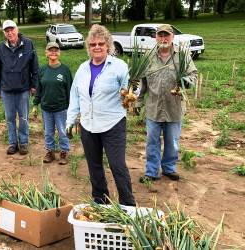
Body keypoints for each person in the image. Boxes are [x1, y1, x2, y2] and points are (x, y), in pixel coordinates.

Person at [66, 25, 136, 206]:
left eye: (101, 44)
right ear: (88, 47)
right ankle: (100, 202)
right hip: (88, 125)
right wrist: (70, 120)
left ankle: (128, 204)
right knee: (94, 167)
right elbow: (75, 95)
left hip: (113, 123)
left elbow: (133, 89)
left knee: (117, 166)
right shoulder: (82, 69)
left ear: (108, 45)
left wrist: (131, 93)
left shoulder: (119, 67)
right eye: (92, 44)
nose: (96, 47)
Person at [136, 24, 197, 182]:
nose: (163, 39)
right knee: (152, 141)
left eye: (166, 35)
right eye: (160, 35)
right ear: (156, 37)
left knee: (172, 141)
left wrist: (185, 81)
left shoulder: (182, 55)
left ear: (172, 37)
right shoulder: (148, 56)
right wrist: (138, 102)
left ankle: (169, 168)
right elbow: (142, 82)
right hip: (153, 107)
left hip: (174, 107)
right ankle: (151, 172)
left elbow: (193, 75)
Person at [0, 20, 39, 155]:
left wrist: (34, 85)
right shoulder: (0, 47)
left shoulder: (28, 44)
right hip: (6, 89)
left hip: (23, 88)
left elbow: (35, 67)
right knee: (9, 118)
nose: (10, 33)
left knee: (24, 117)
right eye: (7, 31)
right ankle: (12, 143)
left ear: (17, 29)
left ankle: (24, 143)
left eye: (12, 29)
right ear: (4, 33)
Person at [33, 42, 72, 165]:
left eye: (56, 50)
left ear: (59, 53)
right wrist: (35, 104)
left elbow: (70, 90)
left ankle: (64, 152)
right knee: (48, 132)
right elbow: (39, 89)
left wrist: (72, 108)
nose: (53, 52)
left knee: (62, 131)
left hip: (61, 108)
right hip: (46, 108)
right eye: (51, 50)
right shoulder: (43, 70)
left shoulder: (65, 70)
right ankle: (50, 151)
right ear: (46, 53)